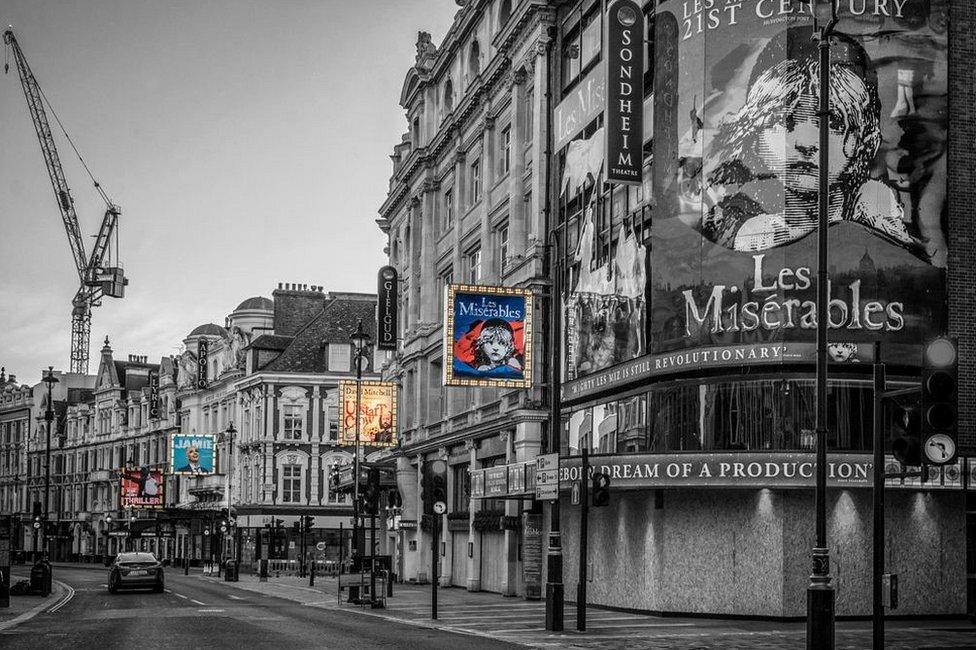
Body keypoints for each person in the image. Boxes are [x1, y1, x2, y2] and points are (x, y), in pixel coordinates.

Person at [696, 26, 928, 262]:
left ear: (861, 140)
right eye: (784, 120)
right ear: (755, 134)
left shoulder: (888, 226)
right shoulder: (728, 227)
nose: (806, 142)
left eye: (833, 122)